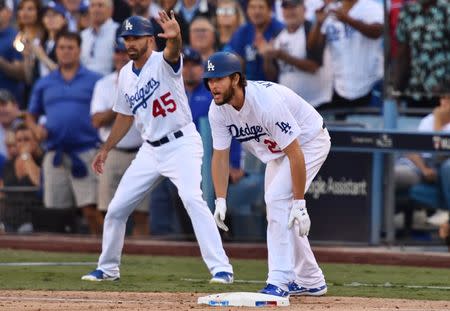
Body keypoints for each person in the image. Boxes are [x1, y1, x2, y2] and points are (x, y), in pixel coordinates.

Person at [81, 14, 233, 283]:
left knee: (192, 199)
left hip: (181, 143)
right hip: (150, 149)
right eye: (126, 39)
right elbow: (125, 116)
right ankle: (108, 268)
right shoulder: (125, 75)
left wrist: (175, 37)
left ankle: (222, 269)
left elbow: (173, 53)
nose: (130, 43)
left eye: (135, 38)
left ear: (150, 39)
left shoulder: (163, 61)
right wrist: (106, 148)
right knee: (116, 209)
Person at [204, 51, 329, 297]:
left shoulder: (265, 103)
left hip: (309, 142)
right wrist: (220, 199)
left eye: (219, 79)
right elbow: (220, 156)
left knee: (277, 201)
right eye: (209, 80)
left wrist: (300, 203)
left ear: (236, 79)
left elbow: (295, 153)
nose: (213, 85)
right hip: (278, 153)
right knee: (279, 210)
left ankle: (279, 282)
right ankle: (311, 280)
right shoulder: (218, 110)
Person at [26, 31, 103, 235]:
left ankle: (104, 255)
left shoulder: (95, 80)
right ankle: (60, 259)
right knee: (55, 213)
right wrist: (35, 130)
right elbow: (30, 115)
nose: (66, 52)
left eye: (70, 47)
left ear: (79, 50)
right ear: (56, 51)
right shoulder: (44, 82)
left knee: (92, 210)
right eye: (61, 47)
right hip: (55, 154)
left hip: (86, 152)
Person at [90, 37, 149, 236]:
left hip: (141, 151)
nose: (121, 56)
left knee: (141, 212)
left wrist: (126, 102)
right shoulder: (103, 84)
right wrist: (123, 102)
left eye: (124, 52)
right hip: (113, 152)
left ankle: (141, 258)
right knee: (107, 209)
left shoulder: (147, 78)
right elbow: (97, 120)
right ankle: (109, 257)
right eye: (118, 52)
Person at [308, 0, 384, 114]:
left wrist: (347, 19)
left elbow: (377, 32)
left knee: (372, 128)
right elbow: (313, 49)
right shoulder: (331, 10)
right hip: (340, 89)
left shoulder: (372, 7)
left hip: (370, 87)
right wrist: (318, 23)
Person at [261, 0, 330, 108]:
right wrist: (267, 58)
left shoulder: (312, 30)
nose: (290, 11)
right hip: (290, 107)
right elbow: (272, 75)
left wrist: (282, 55)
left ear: (304, 9)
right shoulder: (278, 35)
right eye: (286, 8)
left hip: (317, 104)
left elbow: (313, 67)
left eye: (293, 7)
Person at [394, 0, 449, 107]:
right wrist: (396, 91)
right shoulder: (408, 12)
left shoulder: (446, 10)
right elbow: (403, 55)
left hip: (444, 94)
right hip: (416, 91)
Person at [224, 0, 284, 81]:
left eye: (261, 7)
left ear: (270, 10)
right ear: (247, 10)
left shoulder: (280, 30)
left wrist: (267, 58)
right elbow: (238, 65)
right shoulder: (243, 31)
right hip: (249, 86)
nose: (256, 11)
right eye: (252, 7)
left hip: (275, 87)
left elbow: (273, 77)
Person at [80, 0, 119, 75]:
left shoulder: (118, 32)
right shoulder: (82, 36)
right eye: (92, 6)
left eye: (100, 5)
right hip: (83, 84)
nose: (96, 9)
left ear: (111, 9)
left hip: (110, 83)